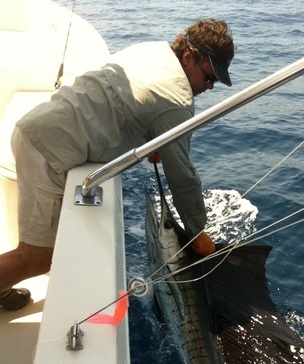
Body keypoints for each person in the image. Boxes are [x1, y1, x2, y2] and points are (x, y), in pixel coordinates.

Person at [0, 18, 234, 310]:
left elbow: (129, 103)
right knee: (37, 258)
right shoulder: (176, 101)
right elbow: (183, 178)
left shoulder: (154, 51)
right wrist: (197, 231)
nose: (210, 87)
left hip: (41, 127)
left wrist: (154, 138)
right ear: (189, 57)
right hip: (48, 154)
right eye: (209, 77)